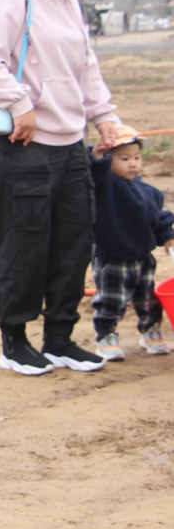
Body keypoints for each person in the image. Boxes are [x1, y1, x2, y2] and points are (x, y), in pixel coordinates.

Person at [0, 0, 119, 376]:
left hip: (70, 143)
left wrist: (104, 116)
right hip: (23, 142)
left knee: (73, 241)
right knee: (24, 242)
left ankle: (60, 338)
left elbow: (85, 64)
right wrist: (19, 102)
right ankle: (14, 341)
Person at [89, 124, 174, 361]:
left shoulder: (150, 192)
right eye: (124, 158)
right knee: (111, 300)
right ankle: (106, 337)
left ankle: (150, 332)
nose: (133, 163)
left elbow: (158, 217)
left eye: (137, 157)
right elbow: (95, 170)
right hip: (113, 255)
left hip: (143, 256)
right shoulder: (106, 187)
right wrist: (97, 154)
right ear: (108, 159)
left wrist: (167, 236)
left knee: (149, 299)